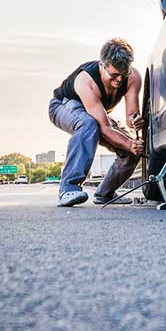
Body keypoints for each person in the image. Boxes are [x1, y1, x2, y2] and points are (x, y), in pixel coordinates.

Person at [48, 38, 145, 207]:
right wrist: (129, 143)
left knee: (133, 148)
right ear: (102, 65)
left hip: (96, 112)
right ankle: (68, 188)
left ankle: (105, 194)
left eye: (124, 74)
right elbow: (104, 128)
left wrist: (134, 121)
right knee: (88, 124)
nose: (119, 80)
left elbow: (131, 115)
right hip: (64, 106)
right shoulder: (86, 81)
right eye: (114, 75)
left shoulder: (133, 77)